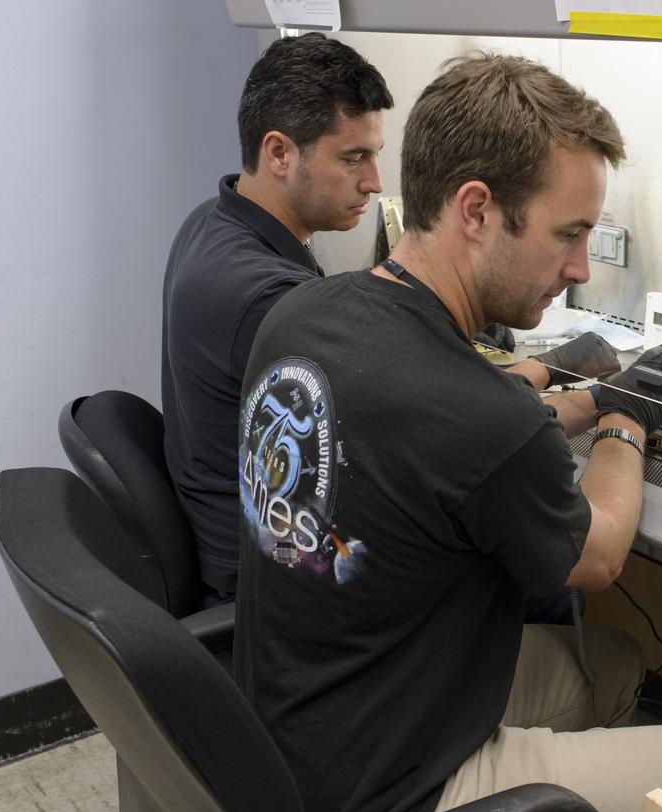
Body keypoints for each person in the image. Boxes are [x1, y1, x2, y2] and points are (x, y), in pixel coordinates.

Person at [234, 53, 662, 812]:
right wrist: (629, 419)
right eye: (569, 234)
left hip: (298, 738)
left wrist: (575, 395)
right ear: (477, 209)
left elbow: (433, 433)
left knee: (619, 667)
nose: (583, 268)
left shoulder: (303, 313)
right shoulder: (481, 421)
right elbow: (595, 554)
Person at [163, 34, 618, 603]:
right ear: (279, 153)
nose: (376, 182)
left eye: (376, 155)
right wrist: (614, 412)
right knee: (557, 598)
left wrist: (547, 373)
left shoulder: (215, 224)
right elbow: (438, 422)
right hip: (282, 580)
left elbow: (413, 406)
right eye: (354, 158)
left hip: (275, 549)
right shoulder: (268, 299)